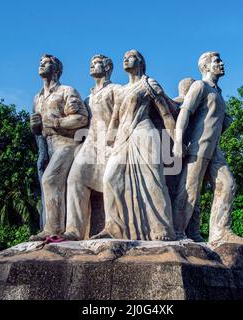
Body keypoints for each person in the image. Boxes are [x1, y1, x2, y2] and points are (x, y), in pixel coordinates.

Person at [92, 50, 177, 241]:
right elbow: (115, 119)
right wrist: (107, 143)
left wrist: (177, 141)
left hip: (144, 133)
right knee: (110, 179)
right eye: (124, 56)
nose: (125, 58)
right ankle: (113, 227)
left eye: (130, 56)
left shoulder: (149, 83)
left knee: (152, 179)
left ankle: (161, 228)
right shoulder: (121, 90)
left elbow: (165, 115)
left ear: (140, 62)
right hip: (122, 137)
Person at [172, 52, 243, 244]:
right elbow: (185, 112)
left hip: (214, 149)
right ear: (205, 67)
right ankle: (178, 231)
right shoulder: (200, 86)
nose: (222, 64)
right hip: (198, 146)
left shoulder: (218, 92)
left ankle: (219, 231)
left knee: (228, 184)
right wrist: (178, 141)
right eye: (217, 61)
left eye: (221, 60)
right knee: (190, 190)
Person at [29, 54, 89, 241]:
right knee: (47, 181)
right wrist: (35, 127)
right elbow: (38, 130)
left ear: (57, 70)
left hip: (67, 143)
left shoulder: (66, 91)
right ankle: (51, 225)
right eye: (40, 62)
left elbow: (81, 118)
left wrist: (55, 122)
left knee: (50, 179)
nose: (41, 65)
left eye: (46, 63)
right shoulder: (37, 98)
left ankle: (53, 229)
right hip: (48, 146)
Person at [62, 54, 121, 240]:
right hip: (90, 143)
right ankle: (74, 230)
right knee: (75, 179)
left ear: (108, 67)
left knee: (110, 182)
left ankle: (113, 227)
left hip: (112, 142)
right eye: (91, 63)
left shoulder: (116, 89)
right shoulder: (88, 97)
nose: (92, 66)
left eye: (96, 63)